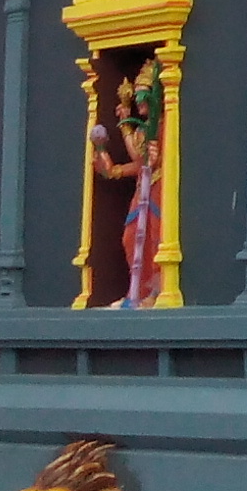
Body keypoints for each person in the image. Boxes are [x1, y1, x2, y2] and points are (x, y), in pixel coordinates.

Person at [90, 58, 166, 307]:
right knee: (131, 237)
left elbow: (145, 159)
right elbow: (140, 161)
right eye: (138, 98)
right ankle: (139, 292)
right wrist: (115, 171)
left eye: (144, 97)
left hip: (158, 190)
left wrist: (125, 126)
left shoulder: (165, 126)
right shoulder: (145, 130)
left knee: (156, 237)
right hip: (142, 189)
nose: (139, 103)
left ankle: (155, 292)